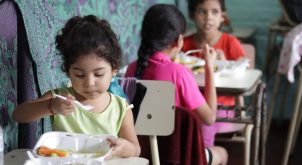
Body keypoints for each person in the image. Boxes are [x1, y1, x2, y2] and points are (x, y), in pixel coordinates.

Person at [13, 15, 140, 159]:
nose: (89, 83)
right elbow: (19, 115)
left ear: (114, 70)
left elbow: (135, 149)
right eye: (80, 75)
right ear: (68, 72)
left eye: (98, 74)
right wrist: (51, 107)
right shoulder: (59, 99)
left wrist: (124, 148)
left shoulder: (121, 108)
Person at [124, 4, 227, 165]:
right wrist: (209, 68)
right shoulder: (179, 73)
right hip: (178, 155)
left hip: (140, 155)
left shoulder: (131, 69)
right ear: (179, 40)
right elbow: (209, 118)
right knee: (222, 153)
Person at [183, 0, 245, 151]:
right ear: (192, 15)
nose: (208, 17)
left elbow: (242, 75)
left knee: (203, 121)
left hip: (223, 107)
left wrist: (225, 65)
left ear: (223, 16)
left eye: (214, 12)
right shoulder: (184, 45)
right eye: (202, 11)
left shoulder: (230, 42)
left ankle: (204, 157)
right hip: (191, 105)